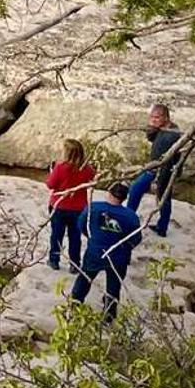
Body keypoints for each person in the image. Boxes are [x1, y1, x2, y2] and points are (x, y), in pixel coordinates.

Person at [69, 182, 143, 322]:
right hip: (118, 255)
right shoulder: (131, 216)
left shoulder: (94, 207)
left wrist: (93, 238)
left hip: (95, 251)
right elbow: (136, 238)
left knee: (84, 279)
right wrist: (125, 248)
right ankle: (108, 316)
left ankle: (74, 306)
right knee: (114, 286)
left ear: (109, 193)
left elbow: (81, 225)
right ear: (124, 198)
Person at [44, 138, 96, 271]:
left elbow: (50, 185)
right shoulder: (87, 169)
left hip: (60, 206)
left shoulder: (60, 168)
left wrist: (52, 171)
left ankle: (54, 260)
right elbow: (92, 178)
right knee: (75, 237)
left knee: (56, 234)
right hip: (78, 208)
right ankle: (74, 263)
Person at [132, 104, 183, 238]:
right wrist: (153, 127)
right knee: (163, 198)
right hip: (156, 168)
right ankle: (162, 227)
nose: (153, 120)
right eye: (152, 117)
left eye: (157, 117)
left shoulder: (171, 135)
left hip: (160, 171)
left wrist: (158, 180)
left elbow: (167, 161)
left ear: (166, 118)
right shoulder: (163, 128)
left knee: (136, 190)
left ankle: (128, 220)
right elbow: (151, 138)